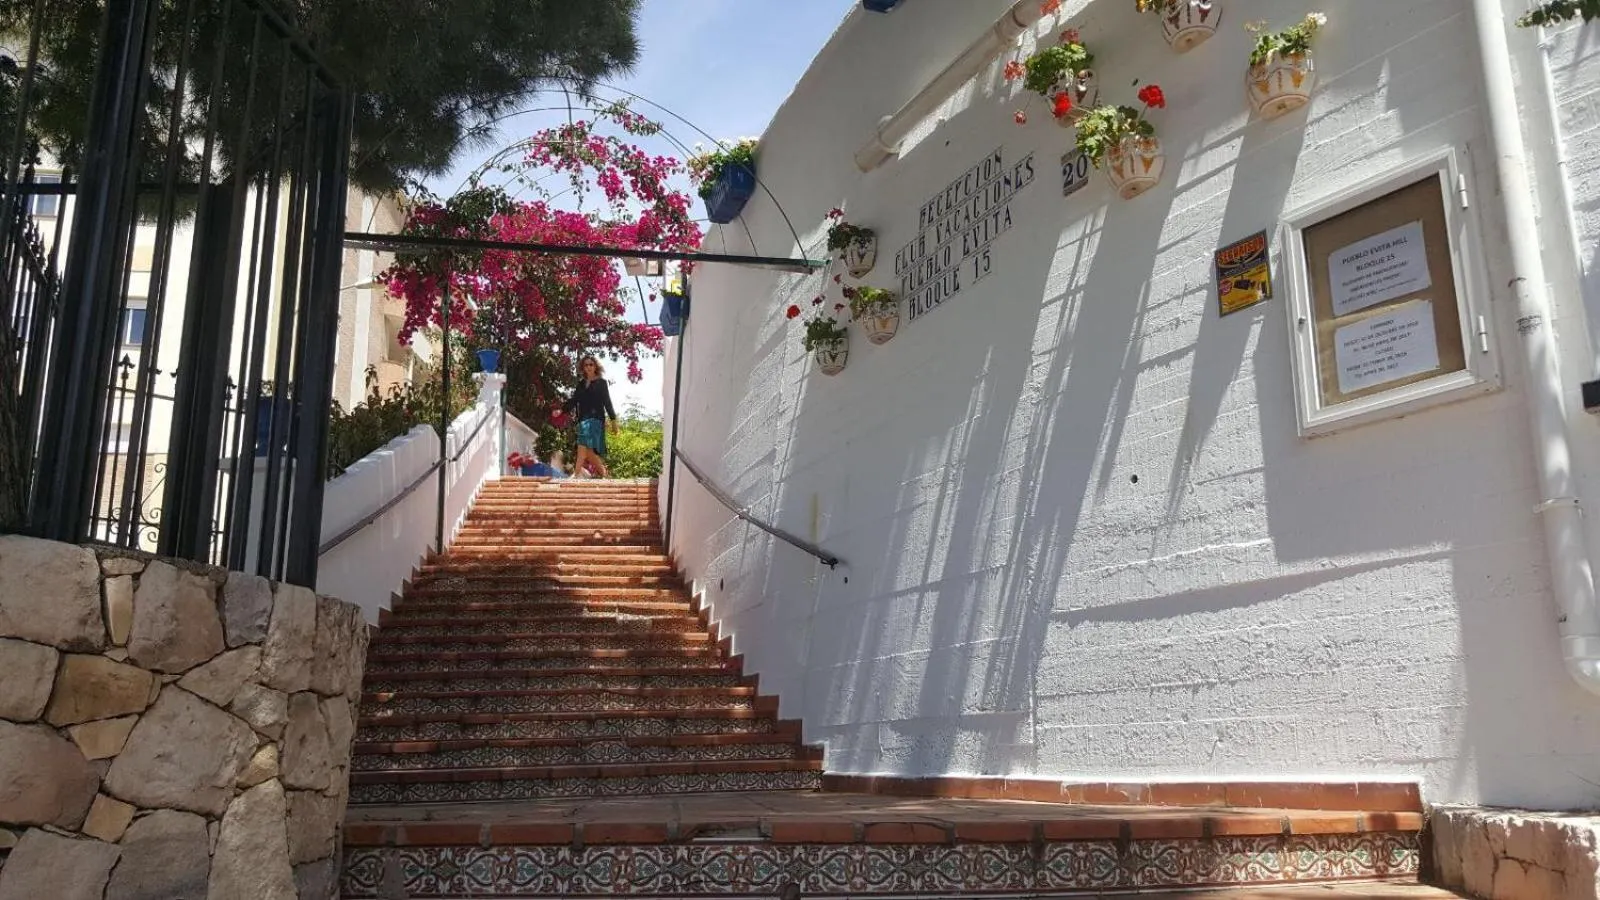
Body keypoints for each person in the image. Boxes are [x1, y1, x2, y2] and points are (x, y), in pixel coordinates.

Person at [558, 355, 618, 479]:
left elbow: (607, 402)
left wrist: (613, 420)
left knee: (582, 446)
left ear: (595, 366)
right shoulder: (581, 384)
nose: (589, 367)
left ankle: (576, 473)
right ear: (583, 368)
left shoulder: (602, 383)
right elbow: (574, 400)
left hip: (596, 419)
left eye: (591, 364)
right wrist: (562, 410)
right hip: (583, 419)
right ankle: (604, 474)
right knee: (589, 452)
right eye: (586, 365)